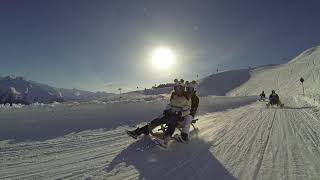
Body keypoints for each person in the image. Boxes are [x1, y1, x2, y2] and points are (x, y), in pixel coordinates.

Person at [126, 79, 191, 145]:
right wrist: (166, 110)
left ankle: (166, 139)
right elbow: (170, 105)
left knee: (172, 122)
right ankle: (138, 132)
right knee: (157, 120)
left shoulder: (186, 98)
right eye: (176, 88)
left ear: (182, 88)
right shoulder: (174, 96)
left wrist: (181, 113)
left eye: (179, 88)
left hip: (179, 117)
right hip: (171, 114)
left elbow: (188, 109)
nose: (178, 89)